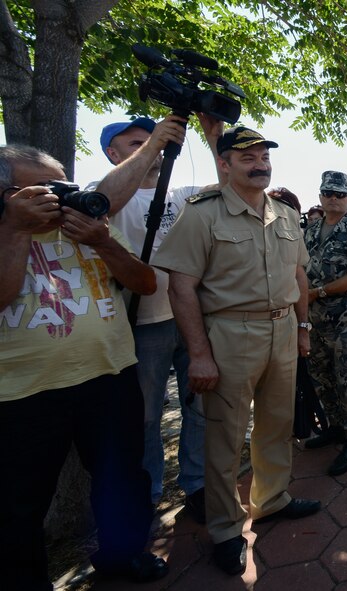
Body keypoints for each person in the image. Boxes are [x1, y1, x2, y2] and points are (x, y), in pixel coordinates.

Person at [153, 126, 321, 576]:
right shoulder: (202, 214)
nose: (260, 162)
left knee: (277, 423)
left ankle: (270, 500)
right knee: (225, 435)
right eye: (247, 156)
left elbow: (300, 278)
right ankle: (226, 528)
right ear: (224, 164)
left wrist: (303, 329)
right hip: (229, 333)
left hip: (283, 329)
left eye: (264, 155)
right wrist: (200, 354)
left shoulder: (285, 214)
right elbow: (181, 287)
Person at [0, 145, 167, 588]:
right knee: (19, 505)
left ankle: (122, 555)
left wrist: (103, 241)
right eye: (43, 189)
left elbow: (145, 283)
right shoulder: (5, 230)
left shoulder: (89, 226)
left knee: (123, 478)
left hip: (109, 377)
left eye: (63, 187)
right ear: (7, 193)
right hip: (22, 393)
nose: (59, 198)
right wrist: (15, 230)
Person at [91, 114, 222, 522]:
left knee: (199, 408)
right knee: (145, 416)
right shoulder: (105, 196)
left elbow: (229, 182)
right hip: (142, 327)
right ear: (113, 153)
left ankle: (197, 485)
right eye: (136, 144)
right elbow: (102, 206)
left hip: (193, 320)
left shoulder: (182, 195)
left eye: (158, 142)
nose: (153, 148)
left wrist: (212, 132)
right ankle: (146, 493)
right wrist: (152, 147)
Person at [302, 171, 347, 476]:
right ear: (320, 197)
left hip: (346, 319)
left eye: (339, 194)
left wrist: (316, 292)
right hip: (315, 320)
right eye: (328, 193)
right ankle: (334, 427)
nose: (333, 198)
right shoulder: (310, 231)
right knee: (321, 375)